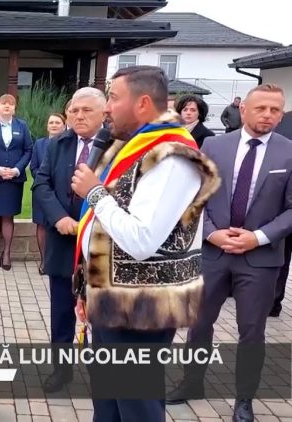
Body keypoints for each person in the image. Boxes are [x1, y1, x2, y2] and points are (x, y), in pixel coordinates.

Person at [71, 65, 220, 421]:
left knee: (137, 407)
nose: (107, 107)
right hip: (112, 296)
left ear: (142, 103)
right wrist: (86, 286)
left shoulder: (172, 156)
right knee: (108, 405)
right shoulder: (136, 148)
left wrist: (95, 193)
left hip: (141, 306)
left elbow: (141, 240)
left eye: (113, 98)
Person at [167, 84, 292, 422]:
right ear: (244, 110)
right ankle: (192, 382)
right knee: (199, 324)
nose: (268, 115)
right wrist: (211, 233)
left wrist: (258, 237)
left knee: (252, 331)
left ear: (281, 114)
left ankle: (244, 400)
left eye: (275, 110)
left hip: (260, 259)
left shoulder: (289, 152)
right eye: (261, 108)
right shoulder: (213, 146)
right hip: (213, 253)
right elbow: (194, 196)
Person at [31, 87, 106, 393]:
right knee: (61, 310)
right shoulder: (58, 144)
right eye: (74, 110)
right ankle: (61, 370)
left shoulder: (118, 146)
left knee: (101, 312)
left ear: (104, 113)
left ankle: (101, 371)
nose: (78, 116)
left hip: (101, 243)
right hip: (63, 240)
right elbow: (41, 184)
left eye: (86, 110)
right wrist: (59, 218)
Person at [0, 94, 33, 270]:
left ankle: (7, 253)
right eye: (3, 103)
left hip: (14, 179)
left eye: (10, 104)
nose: (7, 106)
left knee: (8, 216)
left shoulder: (22, 126)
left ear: (14, 108)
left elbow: (28, 150)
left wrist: (17, 169)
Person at [30, 112, 67, 275]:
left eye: (57, 122)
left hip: (61, 192)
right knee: (41, 225)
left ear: (64, 126)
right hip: (41, 191)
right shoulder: (39, 144)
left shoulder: (67, 144)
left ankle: (57, 260)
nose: (53, 125)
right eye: (51, 122)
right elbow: (33, 167)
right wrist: (44, 181)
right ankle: (44, 261)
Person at [270, 110, 292, 317]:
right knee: (282, 255)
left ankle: (274, 301)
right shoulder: (283, 119)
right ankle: (273, 301)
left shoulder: (284, 119)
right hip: (277, 202)